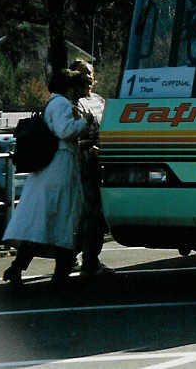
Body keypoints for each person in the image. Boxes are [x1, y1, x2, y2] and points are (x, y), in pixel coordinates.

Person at [1, 69, 92, 287]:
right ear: (68, 87)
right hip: (60, 167)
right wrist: (84, 123)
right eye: (76, 86)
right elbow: (65, 131)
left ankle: (19, 266)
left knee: (42, 219)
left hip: (49, 167)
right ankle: (60, 270)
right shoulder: (62, 105)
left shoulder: (52, 104)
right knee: (62, 216)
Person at [69, 59, 113, 276]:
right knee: (88, 215)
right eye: (83, 73)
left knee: (96, 216)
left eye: (90, 73)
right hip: (82, 166)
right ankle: (88, 260)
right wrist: (90, 147)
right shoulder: (73, 104)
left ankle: (84, 257)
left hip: (100, 166)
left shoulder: (100, 101)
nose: (88, 76)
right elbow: (71, 137)